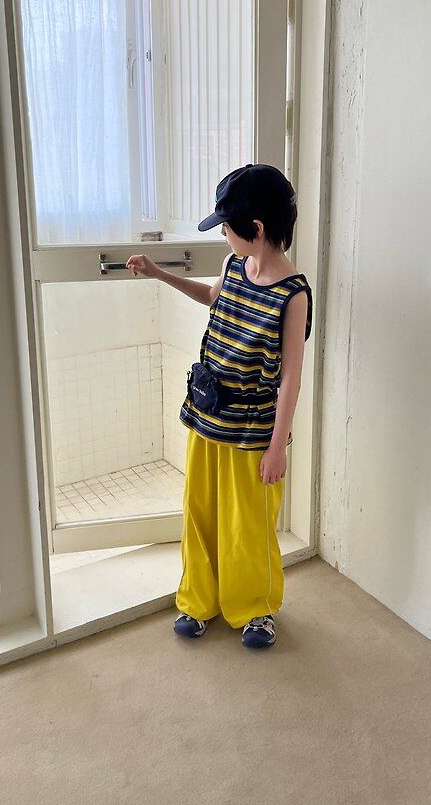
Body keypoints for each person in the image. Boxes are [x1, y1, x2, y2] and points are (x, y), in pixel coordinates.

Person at [126, 163, 312, 648]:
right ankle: (199, 600)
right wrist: (159, 274)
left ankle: (255, 609)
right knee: (201, 512)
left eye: (227, 227)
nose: (223, 235)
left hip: (254, 431)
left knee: (247, 524)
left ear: (257, 229)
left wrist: (278, 447)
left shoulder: (293, 296)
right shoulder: (234, 265)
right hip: (208, 413)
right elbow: (213, 297)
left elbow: (291, 376)